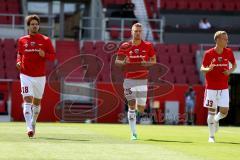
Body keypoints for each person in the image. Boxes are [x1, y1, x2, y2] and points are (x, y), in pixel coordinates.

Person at [115, 23, 156, 140]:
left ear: (142, 32)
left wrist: (146, 63)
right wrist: (123, 63)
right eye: (135, 31)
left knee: (141, 109)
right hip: (129, 80)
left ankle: (134, 116)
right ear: (131, 32)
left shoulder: (148, 46)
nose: (137, 33)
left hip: (142, 80)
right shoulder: (125, 45)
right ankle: (133, 133)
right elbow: (117, 61)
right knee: (131, 105)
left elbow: (154, 60)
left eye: (139, 31)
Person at [16, 15, 55, 138]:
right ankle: (28, 127)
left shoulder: (45, 40)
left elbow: (53, 56)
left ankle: (33, 122)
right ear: (28, 26)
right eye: (32, 24)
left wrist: (45, 55)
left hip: (40, 77)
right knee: (27, 99)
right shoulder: (22, 40)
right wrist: (18, 61)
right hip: (25, 75)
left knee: (37, 103)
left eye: (36, 24)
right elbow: (20, 53)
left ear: (39, 26)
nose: (34, 26)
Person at [200, 31, 237, 143]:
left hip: (224, 88)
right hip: (211, 88)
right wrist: (208, 69)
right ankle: (211, 137)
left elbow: (234, 65)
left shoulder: (229, 52)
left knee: (224, 111)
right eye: (225, 39)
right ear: (218, 40)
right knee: (211, 111)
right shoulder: (208, 53)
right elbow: (202, 68)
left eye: (227, 39)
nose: (227, 41)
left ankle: (216, 120)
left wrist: (229, 71)